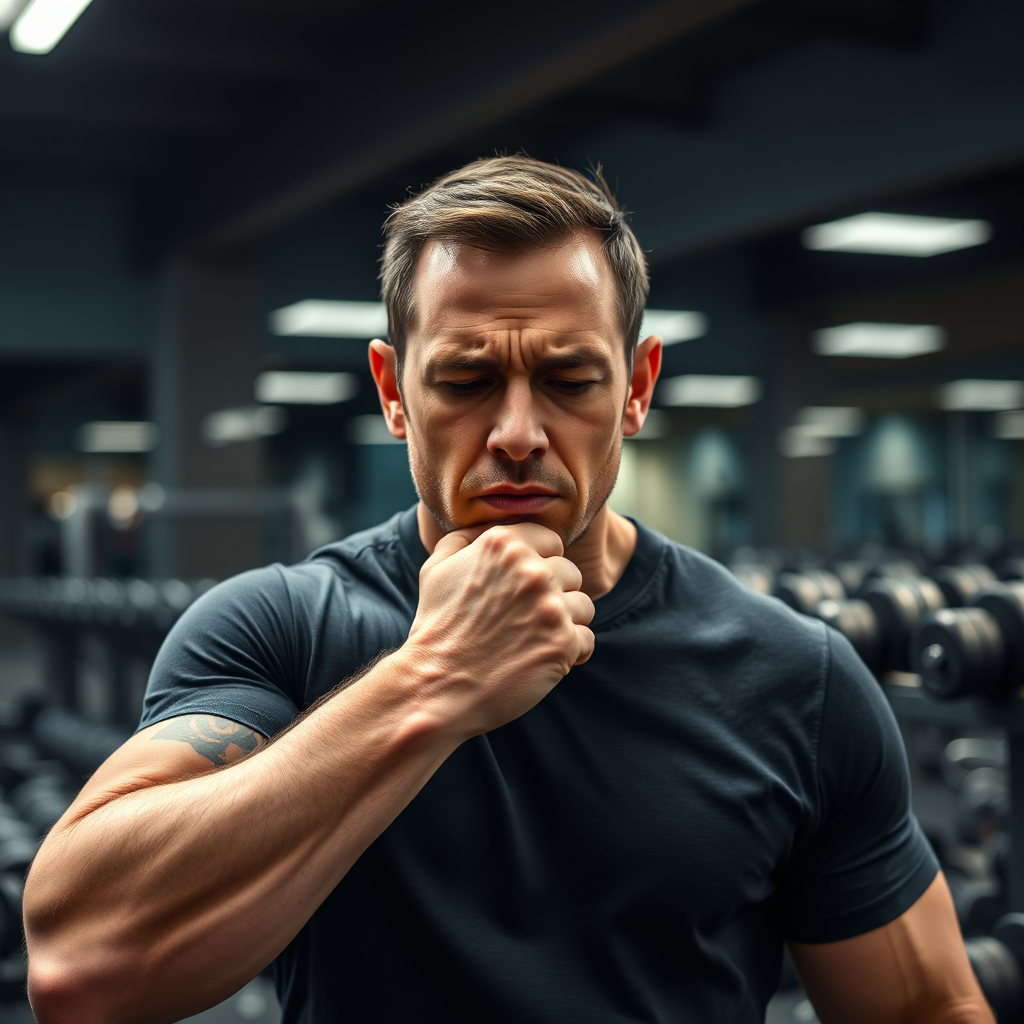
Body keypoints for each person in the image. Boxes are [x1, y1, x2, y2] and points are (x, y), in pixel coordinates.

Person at [24, 157, 991, 1024]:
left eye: (570, 379)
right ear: (394, 391)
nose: (519, 432)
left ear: (637, 386)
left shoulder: (796, 677)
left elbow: (925, 1006)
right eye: (466, 380)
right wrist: (434, 679)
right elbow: (80, 967)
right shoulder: (278, 630)